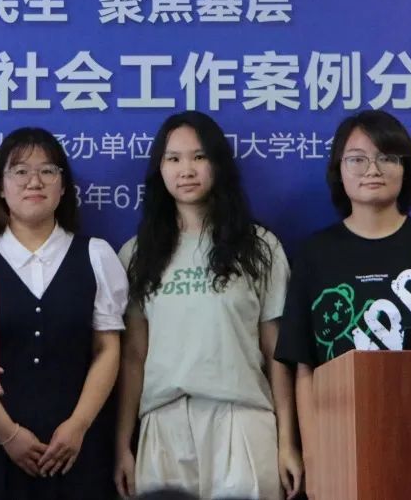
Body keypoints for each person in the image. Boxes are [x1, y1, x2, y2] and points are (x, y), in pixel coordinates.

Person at [274, 109, 411, 472]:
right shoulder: (316, 253)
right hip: (341, 437)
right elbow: (304, 366)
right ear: (339, 170)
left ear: (406, 168)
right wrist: (313, 454)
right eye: (357, 159)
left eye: (387, 157)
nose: (373, 169)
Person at [116, 111, 302, 500]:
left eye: (199, 157)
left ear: (218, 164)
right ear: (160, 169)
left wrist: (287, 442)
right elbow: (133, 356)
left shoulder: (259, 247)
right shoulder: (137, 254)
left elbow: (276, 351)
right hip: (164, 421)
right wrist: (122, 445)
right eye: (173, 158)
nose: (186, 170)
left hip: (242, 418)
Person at [0, 127, 127, 500]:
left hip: (78, 449)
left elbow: (107, 348)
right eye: (20, 171)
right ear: (1, 187)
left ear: (63, 186)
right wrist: (8, 434)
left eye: (47, 171)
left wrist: (79, 425)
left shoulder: (96, 255)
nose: (34, 181)